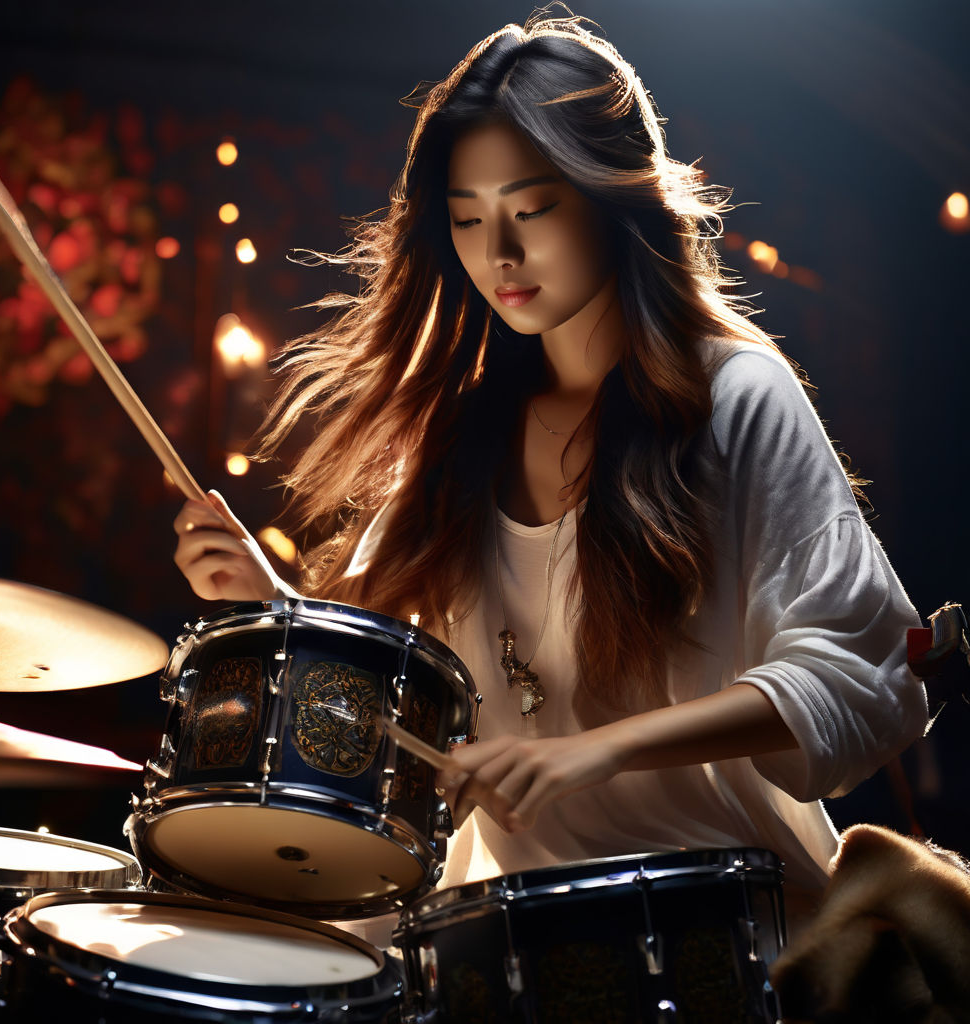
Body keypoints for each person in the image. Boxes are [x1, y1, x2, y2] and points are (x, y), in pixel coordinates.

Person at [173, 12, 928, 922]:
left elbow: (868, 673)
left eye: (532, 210)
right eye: (467, 219)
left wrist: (599, 749)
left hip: (735, 932)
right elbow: (376, 692)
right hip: (517, 934)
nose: (499, 254)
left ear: (616, 200)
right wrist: (270, 606)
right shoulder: (462, 430)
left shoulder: (735, 396)